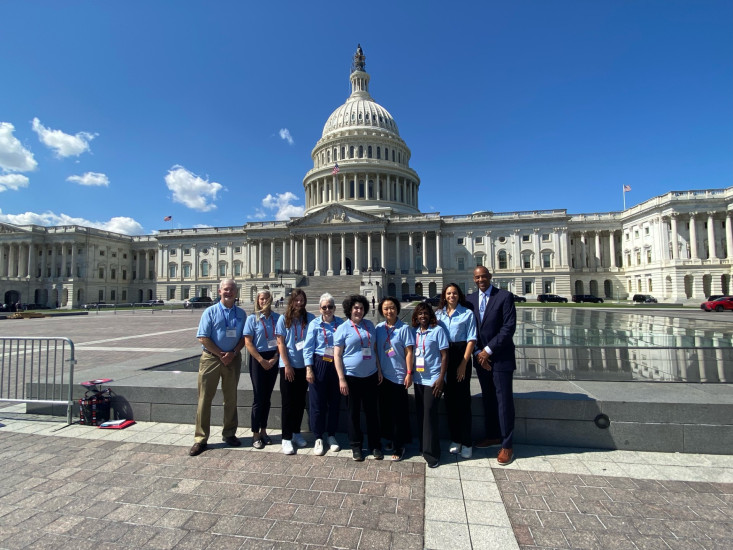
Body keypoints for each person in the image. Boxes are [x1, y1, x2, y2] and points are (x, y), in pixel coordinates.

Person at [465, 266, 517, 466]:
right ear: (474, 278)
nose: (480, 280)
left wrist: (488, 350)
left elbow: (508, 327)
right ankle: (493, 435)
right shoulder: (469, 300)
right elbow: (470, 328)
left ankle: (507, 444)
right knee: (488, 398)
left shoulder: (504, 296)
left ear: (490, 277)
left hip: (500, 357)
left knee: (503, 401)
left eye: (484, 276)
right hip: (480, 359)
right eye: (477, 277)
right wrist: (478, 352)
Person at [189, 279, 247, 456]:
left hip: (233, 359)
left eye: (232, 290)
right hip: (211, 359)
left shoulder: (241, 314)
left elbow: (245, 337)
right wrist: (222, 354)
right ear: (219, 291)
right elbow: (203, 337)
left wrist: (233, 353)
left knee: (231, 398)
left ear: (236, 292)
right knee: (205, 398)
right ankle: (200, 438)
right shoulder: (210, 311)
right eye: (226, 289)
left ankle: (229, 433)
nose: (229, 292)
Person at [333, 294, 383, 462]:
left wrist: (379, 370)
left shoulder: (370, 325)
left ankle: (375, 445)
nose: (359, 311)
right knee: (353, 413)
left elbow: (374, 349)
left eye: (361, 308)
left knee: (372, 412)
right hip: (351, 377)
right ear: (349, 310)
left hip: (370, 375)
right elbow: (337, 355)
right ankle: (356, 446)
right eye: (355, 308)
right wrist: (341, 378)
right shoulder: (343, 328)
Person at [435, 283, 477, 459]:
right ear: (444, 296)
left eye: (454, 293)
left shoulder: (467, 313)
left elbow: (471, 339)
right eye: (448, 293)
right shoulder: (438, 315)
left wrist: (463, 363)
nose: (451, 296)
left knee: (463, 401)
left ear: (459, 295)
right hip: (445, 357)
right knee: (450, 401)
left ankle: (467, 441)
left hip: (461, 355)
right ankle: (455, 439)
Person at [303, 293, 343, 455]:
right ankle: (318, 437)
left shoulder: (341, 323)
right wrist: (309, 368)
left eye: (330, 307)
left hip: (336, 364)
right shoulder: (314, 324)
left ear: (334, 308)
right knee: (317, 403)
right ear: (320, 309)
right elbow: (308, 347)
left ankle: (331, 435)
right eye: (324, 307)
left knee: (334, 402)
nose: (327, 310)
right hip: (319, 363)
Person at [276, 289, 315, 455]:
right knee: (288, 403)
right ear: (292, 301)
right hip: (288, 366)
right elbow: (280, 344)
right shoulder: (283, 319)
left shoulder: (311, 319)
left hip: (304, 366)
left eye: (302, 300)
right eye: (296, 300)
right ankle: (286, 437)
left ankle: (296, 432)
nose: (299, 303)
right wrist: (287, 365)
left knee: (299, 402)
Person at [375, 296, 414, 461]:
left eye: (392, 307)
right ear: (381, 311)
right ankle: (391, 439)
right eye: (385, 308)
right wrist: (378, 370)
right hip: (383, 376)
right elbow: (376, 350)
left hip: (399, 376)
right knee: (385, 411)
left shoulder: (404, 328)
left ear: (397, 309)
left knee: (399, 413)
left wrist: (409, 373)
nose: (389, 311)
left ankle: (400, 446)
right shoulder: (378, 328)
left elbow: (409, 352)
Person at [411, 302, 449, 468]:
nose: (423, 316)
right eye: (420, 314)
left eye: (425, 313)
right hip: (419, 379)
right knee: (421, 414)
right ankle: (423, 446)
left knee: (429, 415)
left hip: (433, 379)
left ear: (430, 315)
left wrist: (442, 378)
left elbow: (445, 355)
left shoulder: (438, 331)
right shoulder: (414, 332)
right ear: (416, 317)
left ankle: (432, 454)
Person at [243, 290, 280, 449]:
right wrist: (261, 360)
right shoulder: (252, 319)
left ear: (271, 300)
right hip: (258, 359)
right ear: (257, 301)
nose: (264, 301)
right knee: (258, 397)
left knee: (267, 397)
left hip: (272, 358)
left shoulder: (278, 318)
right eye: (261, 299)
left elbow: (281, 340)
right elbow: (248, 342)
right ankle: (255, 434)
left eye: (266, 298)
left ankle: (264, 431)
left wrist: (275, 358)